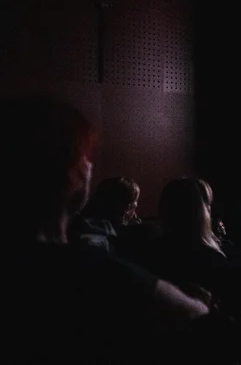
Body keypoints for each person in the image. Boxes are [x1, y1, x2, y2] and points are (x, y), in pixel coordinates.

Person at [1, 95, 208, 364]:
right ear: (69, 174)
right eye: (84, 157)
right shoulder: (90, 271)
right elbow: (196, 315)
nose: (90, 166)